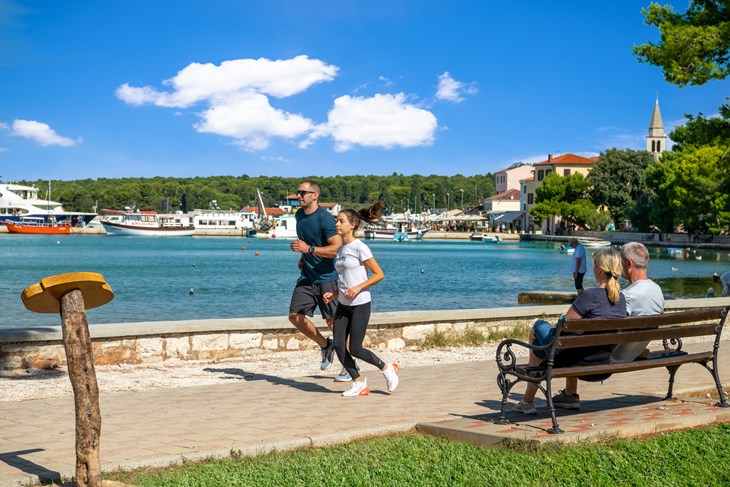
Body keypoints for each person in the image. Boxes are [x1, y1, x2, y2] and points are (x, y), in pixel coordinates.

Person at [513, 248, 626, 415]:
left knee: (539, 327)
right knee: (571, 339)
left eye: (594, 266)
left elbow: (563, 328)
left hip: (578, 360)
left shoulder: (590, 295)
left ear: (600, 270)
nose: (592, 270)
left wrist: (561, 320)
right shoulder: (620, 299)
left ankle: (528, 401)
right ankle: (569, 396)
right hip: (602, 361)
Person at [322, 201, 399, 397]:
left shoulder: (360, 247)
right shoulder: (339, 250)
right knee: (339, 345)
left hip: (360, 304)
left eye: (341, 221)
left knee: (355, 348)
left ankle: (386, 368)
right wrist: (336, 294)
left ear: (353, 224)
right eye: (336, 221)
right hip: (343, 304)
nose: (337, 225)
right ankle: (358, 383)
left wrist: (357, 288)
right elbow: (344, 278)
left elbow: (378, 274)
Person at [288, 180, 342, 370]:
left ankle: (349, 364)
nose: (299, 196)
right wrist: (304, 256)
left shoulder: (325, 219)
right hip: (307, 277)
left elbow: (336, 248)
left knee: (332, 322)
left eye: (303, 193)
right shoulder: (299, 214)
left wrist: (309, 249)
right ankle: (326, 345)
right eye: (298, 192)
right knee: (295, 316)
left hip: (327, 278)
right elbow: (306, 240)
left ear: (315, 195)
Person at [610, 242, 665, 364]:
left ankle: (570, 384)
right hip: (634, 352)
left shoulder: (627, 295)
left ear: (629, 263)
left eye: (620, 262)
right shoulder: (658, 290)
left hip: (614, 357)